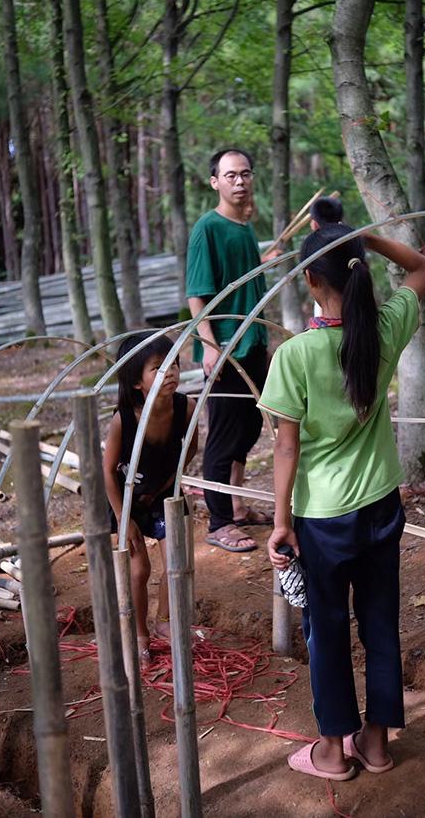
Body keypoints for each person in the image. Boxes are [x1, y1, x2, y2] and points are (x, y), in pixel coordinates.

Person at [260, 223, 425, 781]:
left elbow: (286, 447)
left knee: (326, 629)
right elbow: (422, 270)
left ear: (310, 280)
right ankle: (376, 743)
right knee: (380, 621)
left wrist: (280, 522)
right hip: (381, 503)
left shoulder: (296, 355)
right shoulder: (382, 329)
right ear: (356, 271)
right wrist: (373, 241)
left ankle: (333, 750)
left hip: (322, 518)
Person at [186, 148, 276, 554]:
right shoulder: (208, 227)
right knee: (223, 435)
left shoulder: (242, 226)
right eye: (230, 175)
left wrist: (263, 260)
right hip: (225, 347)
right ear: (215, 182)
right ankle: (220, 522)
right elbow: (197, 295)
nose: (239, 181)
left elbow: (244, 276)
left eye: (245, 174)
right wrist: (208, 345)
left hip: (254, 342)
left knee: (250, 427)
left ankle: (237, 507)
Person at [103, 332, 198, 667]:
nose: (169, 371)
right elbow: (107, 472)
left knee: (175, 562)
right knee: (139, 568)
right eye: (158, 368)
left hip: (163, 494)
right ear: (136, 383)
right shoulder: (124, 419)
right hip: (126, 497)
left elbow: (190, 450)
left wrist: (170, 486)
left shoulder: (185, 407)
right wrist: (123, 517)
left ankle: (164, 621)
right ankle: (140, 632)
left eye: (173, 364)